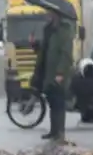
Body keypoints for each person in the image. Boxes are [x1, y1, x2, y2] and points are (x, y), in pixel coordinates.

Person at [31, 9, 75, 142]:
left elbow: (66, 54)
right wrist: (34, 45)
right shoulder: (48, 29)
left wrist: (60, 72)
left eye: (50, 13)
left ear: (56, 14)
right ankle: (53, 131)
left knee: (58, 103)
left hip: (57, 73)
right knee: (51, 102)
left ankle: (60, 132)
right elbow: (44, 50)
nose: (47, 14)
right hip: (46, 72)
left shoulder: (64, 30)